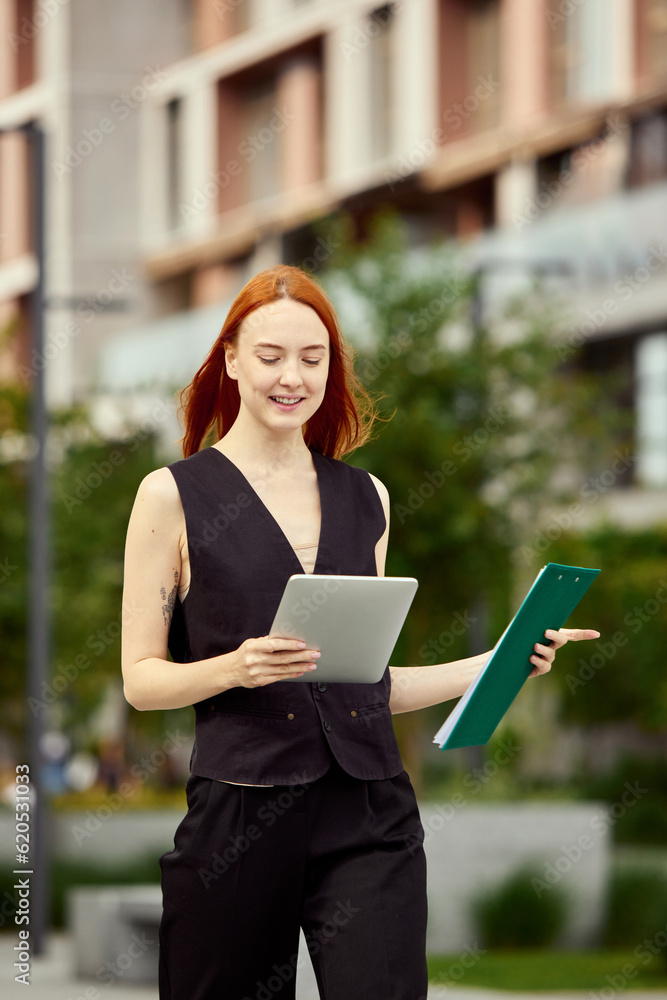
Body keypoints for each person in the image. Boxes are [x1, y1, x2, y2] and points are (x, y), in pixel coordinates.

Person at [120, 264, 600, 1000]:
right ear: (231, 360)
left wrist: (503, 658)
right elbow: (142, 679)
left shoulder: (363, 497)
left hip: (368, 809)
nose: (292, 377)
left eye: (313, 360)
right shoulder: (172, 495)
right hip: (240, 812)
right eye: (272, 356)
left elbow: (365, 685)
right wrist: (236, 667)